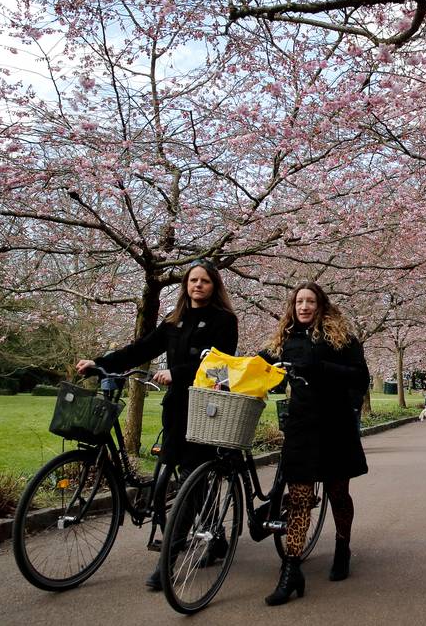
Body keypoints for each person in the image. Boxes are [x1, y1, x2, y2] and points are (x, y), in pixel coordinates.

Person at [75, 258, 238, 591]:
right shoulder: (174, 321)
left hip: (204, 410)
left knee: (188, 479)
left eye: (204, 281)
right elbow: (141, 349)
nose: (198, 285)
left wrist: (178, 373)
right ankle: (217, 537)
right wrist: (99, 363)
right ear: (186, 285)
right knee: (184, 479)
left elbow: (222, 366)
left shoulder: (224, 321)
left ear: (214, 286)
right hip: (176, 409)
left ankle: (169, 559)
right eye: (193, 280)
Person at [258, 282, 370, 606]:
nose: (304, 307)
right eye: (299, 302)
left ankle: (342, 546)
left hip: (335, 426)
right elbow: (258, 366)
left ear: (320, 305)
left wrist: (320, 368)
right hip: (302, 427)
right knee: (299, 499)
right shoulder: (285, 339)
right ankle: (291, 570)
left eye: (309, 301)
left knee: (337, 493)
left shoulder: (341, 338)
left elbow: (360, 377)